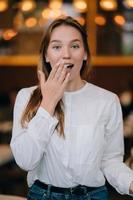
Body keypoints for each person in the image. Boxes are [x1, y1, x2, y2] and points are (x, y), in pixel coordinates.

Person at [10, 16, 133, 200]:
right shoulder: (27, 97)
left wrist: (130, 183)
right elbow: (26, 161)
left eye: (75, 46)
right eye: (57, 47)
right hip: (43, 195)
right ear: (46, 54)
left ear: (84, 54)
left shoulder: (108, 101)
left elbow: (110, 161)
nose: (66, 54)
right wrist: (48, 103)